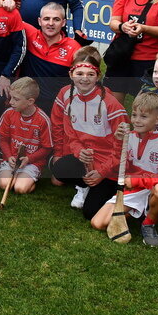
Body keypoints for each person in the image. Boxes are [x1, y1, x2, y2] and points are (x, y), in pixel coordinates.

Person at [49, 47, 128, 219]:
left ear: (98, 76)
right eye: (79, 73)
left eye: (90, 74)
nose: (84, 79)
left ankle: (112, 190)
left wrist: (102, 172)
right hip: (87, 158)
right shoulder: (67, 95)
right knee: (60, 169)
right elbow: (71, 135)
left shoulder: (111, 103)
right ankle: (84, 186)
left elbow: (124, 146)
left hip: (109, 164)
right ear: (71, 75)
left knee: (90, 213)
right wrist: (79, 152)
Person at [91, 93, 158, 247]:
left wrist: (138, 180)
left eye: (143, 117)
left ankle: (149, 223)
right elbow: (118, 165)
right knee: (97, 223)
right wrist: (118, 142)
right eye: (134, 115)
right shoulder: (128, 137)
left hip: (150, 187)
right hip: (132, 188)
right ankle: (137, 213)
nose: (137, 120)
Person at [19, 3, 80, 114]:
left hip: (57, 107)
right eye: (46, 19)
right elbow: (10, 18)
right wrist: (4, 2)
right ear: (39, 21)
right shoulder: (31, 34)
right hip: (29, 104)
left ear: (63, 23)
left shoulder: (74, 48)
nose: (51, 23)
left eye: (56, 19)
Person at [0, 77, 52, 196]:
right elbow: (3, 140)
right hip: (11, 159)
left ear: (30, 101)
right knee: (5, 184)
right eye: (11, 98)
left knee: (20, 188)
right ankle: (17, 176)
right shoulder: (8, 113)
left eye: (16, 99)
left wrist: (29, 159)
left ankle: (28, 180)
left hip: (32, 162)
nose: (11, 102)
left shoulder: (43, 119)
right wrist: (9, 156)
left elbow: (47, 148)